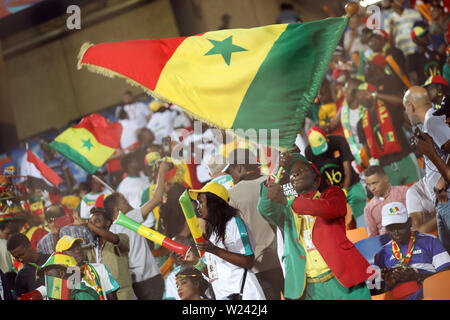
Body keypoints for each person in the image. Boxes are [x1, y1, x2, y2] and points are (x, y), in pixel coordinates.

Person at [258, 153, 372, 300]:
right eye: (292, 174)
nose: (295, 174)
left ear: (315, 176)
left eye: (301, 169)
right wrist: (276, 172)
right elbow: (265, 209)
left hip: (344, 281)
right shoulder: (286, 211)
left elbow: (328, 208)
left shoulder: (333, 194)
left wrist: (289, 201)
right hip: (311, 288)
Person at [187, 182, 266, 300]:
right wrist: (195, 261)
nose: (198, 207)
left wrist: (214, 249)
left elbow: (248, 261)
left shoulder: (234, 223)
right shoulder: (212, 235)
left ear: (214, 203)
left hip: (246, 294)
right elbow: (213, 274)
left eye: (201, 202)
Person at [103, 161, 170, 300]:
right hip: (150, 277)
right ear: (117, 210)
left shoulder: (111, 231)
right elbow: (157, 198)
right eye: (125, 202)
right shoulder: (130, 218)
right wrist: (162, 171)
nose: (129, 204)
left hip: (133, 283)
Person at [224, 148, 284, 300]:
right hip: (286, 259)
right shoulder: (273, 183)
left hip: (260, 265)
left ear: (239, 167)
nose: (231, 177)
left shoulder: (232, 194)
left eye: (231, 172)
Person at [403, 88, 450, 252]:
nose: (405, 112)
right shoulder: (429, 122)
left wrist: (441, 183)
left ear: (411, 107)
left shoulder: (432, 121)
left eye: (405, 108)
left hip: (446, 195)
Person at [374, 202, 450, 299]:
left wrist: (417, 276)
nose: (396, 231)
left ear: (409, 222)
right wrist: (388, 286)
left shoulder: (430, 240)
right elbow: (377, 291)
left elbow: (446, 275)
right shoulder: (382, 254)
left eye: (399, 226)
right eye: (391, 228)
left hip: (430, 293)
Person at [356, 83, 421, 186]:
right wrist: (363, 162)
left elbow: (402, 101)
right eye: (359, 96)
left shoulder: (390, 108)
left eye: (364, 94)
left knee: (421, 194)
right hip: (385, 168)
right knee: (398, 201)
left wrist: (377, 95)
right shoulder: (360, 124)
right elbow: (367, 150)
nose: (362, 98)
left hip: (405, 159)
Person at [306, 126, 367, 227]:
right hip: (332, 192)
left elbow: (347, 170)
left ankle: (365, 229)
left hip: (350, 185)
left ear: (326, 138)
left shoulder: (339, 142)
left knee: (358, 199)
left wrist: (345, 190)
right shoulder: (309, 152)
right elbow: (317, 178)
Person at [80, 207, 136, 300]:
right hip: (102, 296)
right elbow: (68, 253)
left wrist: (88, 224)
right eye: (91, 222)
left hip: (122, 296)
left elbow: (114, 239)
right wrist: (55, 234)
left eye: (96, 221)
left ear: (108, 223)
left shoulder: (122, 238)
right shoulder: (91, 247)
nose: (92, 225)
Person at [55, 235, 119, 300]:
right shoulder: (60, 278)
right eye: (71, 249)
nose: (77, 251)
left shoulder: (100, 268)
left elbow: (112, 296)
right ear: (61, 255)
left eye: (78, 246)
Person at [364, 165, 409, 237]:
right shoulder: (369, 208)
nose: (372, 188)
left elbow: (414, 219)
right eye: (368, 185)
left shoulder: (403, 192)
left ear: (385, 179)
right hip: (386, 243)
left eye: (374, 183)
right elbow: (372, 236)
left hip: (407, 236)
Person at [6, 233, 50, 297]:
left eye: (21, 254)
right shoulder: (21, 276)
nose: (20, 260)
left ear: (29, 246)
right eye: (16, 258)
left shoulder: (51, 259)